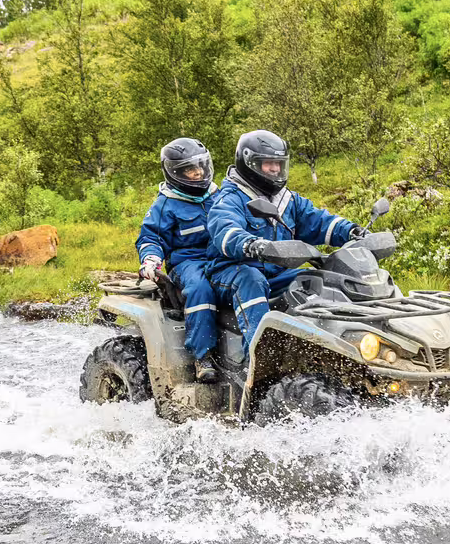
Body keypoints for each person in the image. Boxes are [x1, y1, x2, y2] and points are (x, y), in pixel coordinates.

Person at [204, 130, 363, 349]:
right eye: (268, 163)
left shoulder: (287, 200)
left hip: (276, 273)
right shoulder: (229, 198)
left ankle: (336, 343)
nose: (276, 169)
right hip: (231, 272)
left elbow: (317, 220)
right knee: (251, 280)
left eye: (279, 163)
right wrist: (251, 244)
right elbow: (226, 231)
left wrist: (351, 231)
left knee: (318, 279)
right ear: (249, 163)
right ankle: (260, 357)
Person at [135, 138, 221, 383]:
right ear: (174, 172)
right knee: (200, 288)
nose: (197, 173)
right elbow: (151, 237)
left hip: (223, 255)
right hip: (188, 262)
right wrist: (150, 260)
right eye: (189, 170)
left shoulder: (219, 194)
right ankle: (203, 356)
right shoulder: (166, 204)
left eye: (200, 167)